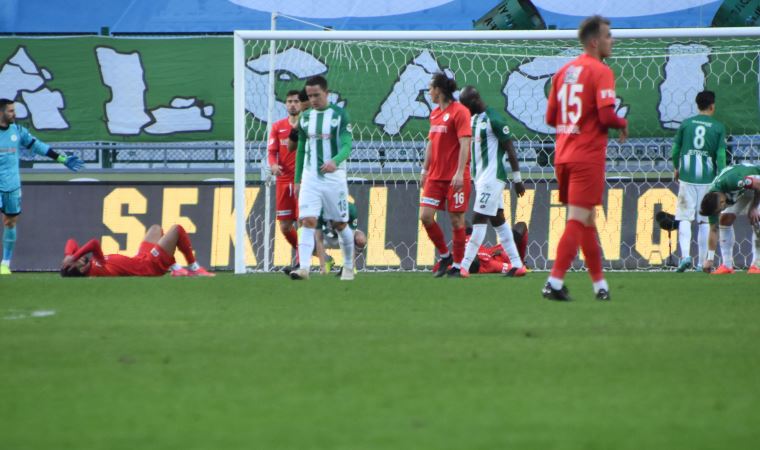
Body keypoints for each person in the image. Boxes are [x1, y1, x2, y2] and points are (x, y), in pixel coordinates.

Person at [543, 16, 628, 301]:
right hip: (586, 156)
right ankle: (554, 282)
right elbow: (605, 116)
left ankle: (599, 286)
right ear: (594, 42)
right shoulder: (601, 71)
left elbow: (550, 118)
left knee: (587, 219)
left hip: (563, 155)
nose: (611, 40)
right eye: (607, 36)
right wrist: (621, 123)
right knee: (578, 220)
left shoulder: (563, 72)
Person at [0, 98, 84, 275]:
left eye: (14, 110)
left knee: (10, 222)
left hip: (11, 185)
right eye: (10, 111)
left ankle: (5, 264)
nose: (14, 114)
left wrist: (61, 158)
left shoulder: (17, 131)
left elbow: (37, 146)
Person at [457, 85, 527, 278]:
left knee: (479, 219)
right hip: (479, 179)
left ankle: (463, 266)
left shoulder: (494, 119)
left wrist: (517, 179)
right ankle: (517, 265)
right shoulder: (472, 119)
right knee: (499, 222)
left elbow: (510, 149)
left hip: (493, 178)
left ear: (473, 102)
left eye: (465, 105)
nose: (463, 109)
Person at [290, 76, 354, 281]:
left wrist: (335, 160)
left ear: (327, 93)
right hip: (310, 177)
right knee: (307, 220)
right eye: (309, 96)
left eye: (317, 95)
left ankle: (349, 267)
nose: (313, 99)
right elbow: (300, 148)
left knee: (340, 224)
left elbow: (347, 144)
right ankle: (304, 269)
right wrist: (298, 179)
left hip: (333, 177)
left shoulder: (339, 115)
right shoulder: (306, 117)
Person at [420, 73, 472, 277]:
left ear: (439, 90)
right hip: (435, 176)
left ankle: (458, 266)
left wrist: (460, 172)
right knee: (425, 217)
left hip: (454, 177)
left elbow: (465, 143)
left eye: (431, 88)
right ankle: (444, 255)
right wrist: (424, 170)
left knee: (457, 221)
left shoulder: (460, 112)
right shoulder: (434, 114)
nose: (429, 92)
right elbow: (431, 143)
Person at [671, 91, 726, 272]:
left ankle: (685, 256)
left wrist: (676, 167)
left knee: (685, 217)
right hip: (708, 179)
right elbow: (720, 154)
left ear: (697, 105)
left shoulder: (686, 124)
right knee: (704, 221)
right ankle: (702, 263)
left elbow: (675, 149)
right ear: (712, 106)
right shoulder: (718, 127)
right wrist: (721, 175)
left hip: (687, 176)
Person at [60, 224, 215, 277]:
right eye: (77, 261)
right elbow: (94, 243)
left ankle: (175, 267)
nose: (79, 257)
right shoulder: (96, 271)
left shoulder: (93, 263)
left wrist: (68, 255)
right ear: (79, 270)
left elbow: (71, 241)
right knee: (177, 229)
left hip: (140, 258)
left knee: (155, 229)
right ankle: (194, 268)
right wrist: (73, 258)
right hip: (150, 266)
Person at [699, 163, 760, 274]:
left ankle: (757, 264)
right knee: (724, 219)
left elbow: (757, 184)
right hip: (743, 189)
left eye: (720, 209)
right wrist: (710, 259)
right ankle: (726, 266)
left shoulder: (732, 181)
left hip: (757, 180)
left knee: (757, 219)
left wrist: (754, 207)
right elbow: (713, 229)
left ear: (722, 201)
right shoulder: (712, 202)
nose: (719, 211)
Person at [268, 90, 302, 268]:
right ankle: (304, 251)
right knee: (285, 227)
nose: (292, 104)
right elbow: (272, 152)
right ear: (285, 105)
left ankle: (301, 261)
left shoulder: (306, 125)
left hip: (303, 180)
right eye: (289, 101)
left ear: (301, 104)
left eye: (296, 101)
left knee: (303, 221)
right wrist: (273, 165)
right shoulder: (277, 127)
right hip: (283, 180)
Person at [314, 201, 366, 275]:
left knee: (360, 239)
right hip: (328, 236)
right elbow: (318, 236)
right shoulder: (322, 210)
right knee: (307, 239)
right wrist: (322, 265)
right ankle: (327, 260)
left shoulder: (351, 209)